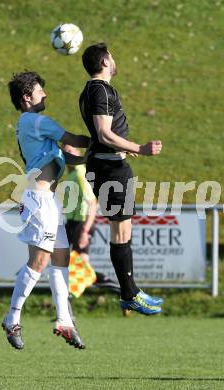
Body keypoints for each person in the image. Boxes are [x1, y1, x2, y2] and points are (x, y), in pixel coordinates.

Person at [2, 71, 90, 350]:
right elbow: (75, 139)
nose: (45, 94)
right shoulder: (36, 121)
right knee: (39, 262)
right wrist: (105, 138)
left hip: (46, 200)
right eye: (40, 91)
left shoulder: (31, 124)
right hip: (39, 199)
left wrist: (111, 151)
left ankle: (64, 320)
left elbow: (74, 155)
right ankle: (11, 318)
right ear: (27, 97)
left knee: (61, 258)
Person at [79, 43, 163, 315]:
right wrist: (139, 147)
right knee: (121, 231)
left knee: (123, 230)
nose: (114, 60)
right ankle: (129, 294)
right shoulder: (100, 89)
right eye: (111, 56)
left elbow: (102, 134)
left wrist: (124, 147)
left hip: (108, 164)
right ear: (105, 61)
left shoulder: (91, 90)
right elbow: (103, 133)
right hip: (109, 168)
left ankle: (131, 291)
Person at [62, 144, 120, 291]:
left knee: (79, 268)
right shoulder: (71, 174)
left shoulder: (81, 174)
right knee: (69, 266)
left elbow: (93, 204)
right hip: (71, 223)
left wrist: (85, 231)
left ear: (78, 152)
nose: (68, 155)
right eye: (65, 153)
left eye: (70, 151)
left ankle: (118, 289)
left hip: (81, 224)